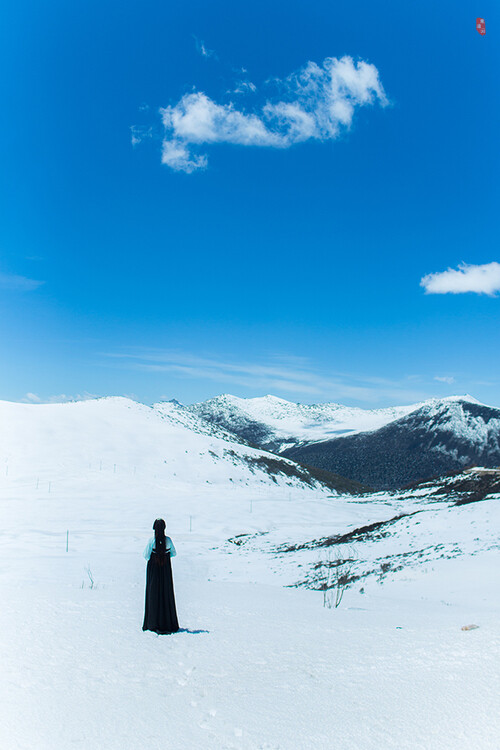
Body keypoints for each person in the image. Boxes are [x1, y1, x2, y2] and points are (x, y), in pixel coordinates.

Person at [142, 518, 179, 634]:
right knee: (166, 594)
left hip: (154, 571)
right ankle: (168, 623)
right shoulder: (168, 540)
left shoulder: (151, 541)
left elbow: (146, 556)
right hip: (166, 571)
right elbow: (173, 553)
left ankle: (152, 623)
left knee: (153, 594)